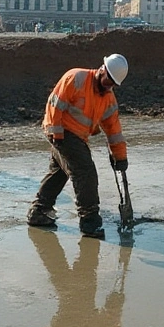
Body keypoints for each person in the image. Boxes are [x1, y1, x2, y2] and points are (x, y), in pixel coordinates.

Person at [28, 54, 129, 239]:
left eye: (113, 83)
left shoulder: (108, 99)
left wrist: (120, 157)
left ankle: (39, 212)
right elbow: (55, 105)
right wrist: (56, 134)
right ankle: (89, 220)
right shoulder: (76, 78)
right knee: (85, 172)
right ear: (102, 69)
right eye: (108, 80)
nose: (109, 85)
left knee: (59, 171)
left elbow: (114, 131)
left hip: (79, 137)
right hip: (61, 131)